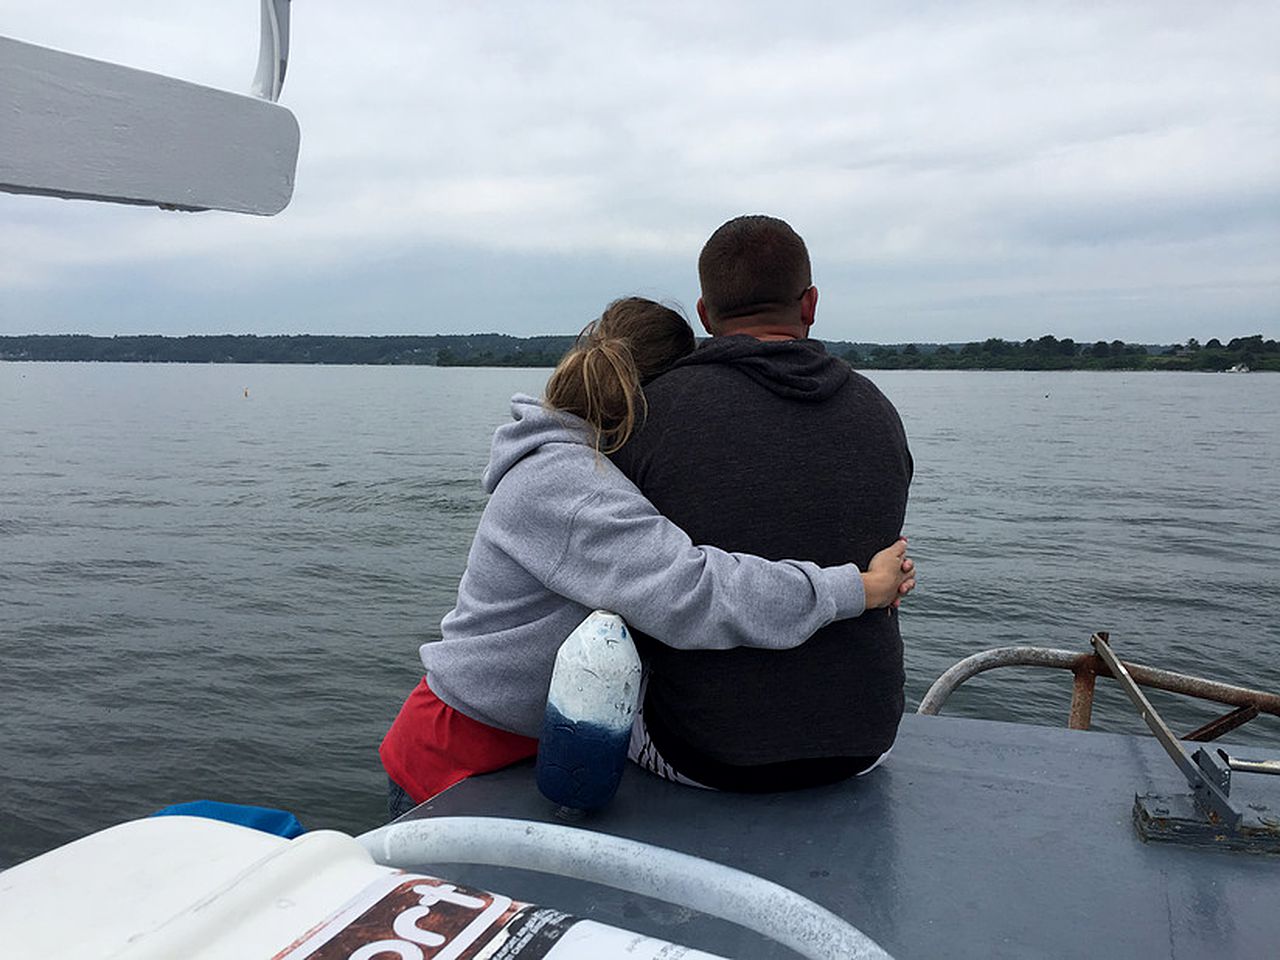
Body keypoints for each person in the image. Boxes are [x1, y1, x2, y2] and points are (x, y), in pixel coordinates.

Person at [380, 297, 915, 818]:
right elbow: (693, 592)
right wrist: (859, 589)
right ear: (658, 396)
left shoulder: (587, 469)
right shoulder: (570, 486)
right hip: (455, 761)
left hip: (528, 746)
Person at [611, 216, 914, 792]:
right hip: (865, 742)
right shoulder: (878, 411)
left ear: (704, 313)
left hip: (700, 754)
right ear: (810, 304)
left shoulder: (653, 411)